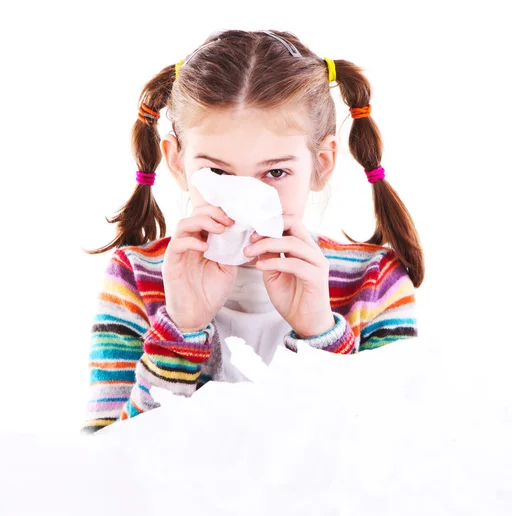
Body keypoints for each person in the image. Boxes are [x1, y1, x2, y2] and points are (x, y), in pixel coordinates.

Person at [79, 29, 424, 435]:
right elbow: (108, 467)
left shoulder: (376, 282)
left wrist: (320, 333)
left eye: (275, 172)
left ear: (323, 163)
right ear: (176, 162)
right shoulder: (136, 279)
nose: (244, 201)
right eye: (217, 173)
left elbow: (391, 459)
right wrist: (181, 329)